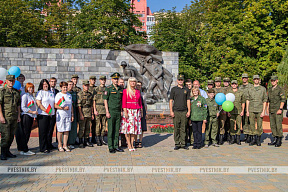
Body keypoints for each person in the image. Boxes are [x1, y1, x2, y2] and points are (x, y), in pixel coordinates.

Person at [0, 75, 21, 160]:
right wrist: (1, 116)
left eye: (12, 81)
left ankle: (7, 151)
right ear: (6, 81)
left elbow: (18, 105)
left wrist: (19, 116)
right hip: (5, 116)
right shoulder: (2, 91)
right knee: (5, 136)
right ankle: (3, 153)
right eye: (9, 81)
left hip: (14, 117)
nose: (11, 82)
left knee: (11, 136)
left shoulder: (16, 92)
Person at [104, 72, 124, 153]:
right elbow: (105, 100)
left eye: (117, 79)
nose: (116, 80)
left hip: (118, 111)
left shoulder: (120, 89)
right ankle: (110, 146)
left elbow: (121, 101)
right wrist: (107, 111)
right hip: (111, 111)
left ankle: (116, 145)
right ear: (112, 80)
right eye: (114, 79)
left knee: (116, 130)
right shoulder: (108, 88)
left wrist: (122, 110)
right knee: (111, 129)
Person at [121, 77, 142, 151]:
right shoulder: (125, 91)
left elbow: (140, 102)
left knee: (134, 129)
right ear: (129, 83)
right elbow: (124, 103)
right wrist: (125, 112)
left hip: (136, 111)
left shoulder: (137, 91)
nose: (133, 83)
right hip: (129, 111)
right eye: (131, 82)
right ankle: (129, 145)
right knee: (128, 129)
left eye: (134, 82)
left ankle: (132, 144)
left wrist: (141, 111)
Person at [169, 74, 190, 150]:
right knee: (176, 128)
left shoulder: (186, 89)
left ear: (183, 80)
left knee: (183, 128)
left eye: (181, 80)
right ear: (177, 80)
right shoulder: (174, 89)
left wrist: (189, 111)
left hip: (184, 111)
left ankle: (183, 143)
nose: (180, 81)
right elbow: (171, 101)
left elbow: (188, 100)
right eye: (179, 80)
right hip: (176, 111)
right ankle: (177, 143)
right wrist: (171, 111)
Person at [246, 75, 267, 146]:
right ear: (253, 80)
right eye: (255, 79)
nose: (256, 80)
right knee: (251, 124)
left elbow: (264, 100)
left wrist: (263, 111)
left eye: (257, 79)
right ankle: (253, 139)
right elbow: (248, 100)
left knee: (259, 125)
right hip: (251, 109)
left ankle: (258, 139)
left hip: (259, 109)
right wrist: (247, 110)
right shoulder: (250, 89)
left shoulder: (263, 89)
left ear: (259, 80)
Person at [17, 83, 37, 155]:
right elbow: (23, 107)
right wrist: (32, 112)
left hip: (31, 116)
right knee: (25, 133)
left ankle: (24, 148)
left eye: (32, 88)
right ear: (26, 88)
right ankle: (24, 149)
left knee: (27, 133)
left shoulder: (31, 96)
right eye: (29, 88)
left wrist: (34, 115)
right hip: (26, 115)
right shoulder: (25, 96)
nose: (31, 89)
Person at [36, 79, 55, 153]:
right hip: (43, 115)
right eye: (44, 84)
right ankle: (43, 147)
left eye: (46, 84)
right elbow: (39, 103)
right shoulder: (40, 92)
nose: (45, 85)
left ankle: (48, 145)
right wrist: (45, 110)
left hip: (51, 115)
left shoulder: (51, 92)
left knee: (49, 131)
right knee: (43, 132)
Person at [267, 75, 286, 147]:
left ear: (277, 81)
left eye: (274, 80)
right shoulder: (270, 89)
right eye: (272, 81)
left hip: (277, 110)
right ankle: (274, 138)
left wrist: (280, 109)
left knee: (278, 125)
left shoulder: (280, 89)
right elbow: (269, 100)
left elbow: (283, 99)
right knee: (272, 125)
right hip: (271, 109)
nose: (273, 82)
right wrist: (267, 108)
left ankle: (279, 139)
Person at [54, 82, 73, 152]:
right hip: (61, 114)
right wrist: (63, 108)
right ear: (61, 88)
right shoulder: (58, 95)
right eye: (64, 87)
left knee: (67, 130)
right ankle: (59, 145)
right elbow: (55, 105)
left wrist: (72, 114)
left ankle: (65, 145)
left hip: (68, 115)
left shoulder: (69, 95)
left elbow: (71, 106)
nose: (65, 88)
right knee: (60, 130)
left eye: (66, 87)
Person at [227, 80, 245, 145]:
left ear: (237, 85)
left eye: (235, 84)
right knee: (231, 125)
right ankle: (232, 138)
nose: (234, 85)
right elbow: (227, 103)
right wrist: (228, 112)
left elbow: (243, 102)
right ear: (231, 85)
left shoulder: (241, 92)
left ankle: (238, 139)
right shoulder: (229, 93)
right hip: (231, 111)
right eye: (233, 84)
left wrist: (242, 111)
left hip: (238, 111)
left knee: (238, 124)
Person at [77, 80, 94, 148]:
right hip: (83, 111)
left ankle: (86, 140)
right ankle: (81, 141)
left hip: (89, 112)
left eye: (88, 85)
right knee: (82, 128)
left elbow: (91, 104)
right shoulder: (80, 94)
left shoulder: (90, 94)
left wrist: (92, 114)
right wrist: (81, 114)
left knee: (88, 127)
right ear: (83, 86)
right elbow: (79, 105)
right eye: (85, 85)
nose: (87, 87)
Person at [93, 75, 108, 146]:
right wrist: (94, 110)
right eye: (102, 80)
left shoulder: (107, 89)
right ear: (100, 81)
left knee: (104, 125)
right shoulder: (96, 89)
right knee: (98, 125)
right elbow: (94, 101)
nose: (103, 81)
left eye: (104, 80)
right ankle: (98, 139)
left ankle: (102, 138)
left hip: (104, 108)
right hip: (98, 107)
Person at [239, 73, 253, 143]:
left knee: (249, 121)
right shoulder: (240, 87)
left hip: (249, 106)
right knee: (243, 121)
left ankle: (249, 135)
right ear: (242, 79)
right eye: (243, 78)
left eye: (246, 78)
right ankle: (245, 135)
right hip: (242, 106)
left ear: (248, 78)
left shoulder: (251, 86)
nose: (244, 79)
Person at [135, 81, 147, 148]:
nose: (138, 86)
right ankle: (136, 141)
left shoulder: (143, 94)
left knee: (142, 127)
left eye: (139, 85)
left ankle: (140, 141)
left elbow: (145, 104)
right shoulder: (134, 93)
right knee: (136, 126)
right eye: (137, 85)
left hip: (142, 110)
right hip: (136, 110)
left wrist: (146, 113)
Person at [49, 77, 59, 149]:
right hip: (48, 112)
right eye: (52, 81)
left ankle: (57, 142)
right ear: (49, 82)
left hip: (56, 112)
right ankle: (48, 143)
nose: (53, 83)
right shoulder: (47, 91)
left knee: (56, 128)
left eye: (54, 82)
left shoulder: (57, 91)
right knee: (49, 129)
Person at [67, 81, 78, 149]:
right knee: (67, 127)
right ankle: (66, 142)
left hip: (74, 111)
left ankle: (72, 141)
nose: (71, 86)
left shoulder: (74, 93)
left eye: (72, 84)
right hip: (67, 111)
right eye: (69, 84)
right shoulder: (65, 93)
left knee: (74, 127)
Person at [118, 78, 127, 147]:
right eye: (120, 82)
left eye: (123, 82)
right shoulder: (117, 90)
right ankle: (116, 143)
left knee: (124, 126)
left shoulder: (125, 91)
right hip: (117, 110)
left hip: (124, 111)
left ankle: (124, 142)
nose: (122, 84)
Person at [89, 76, 97, 144]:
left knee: (94, 124)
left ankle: (93, 138)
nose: (93, 81)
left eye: (94, 80)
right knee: (87, 124)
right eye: (92, 80)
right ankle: (87, 138)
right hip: (88, 107)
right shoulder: (87, 88)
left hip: (94, 107)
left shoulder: (96, 88)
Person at [185, 79, 193, 146]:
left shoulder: (194, 92)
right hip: (185, 111)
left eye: (189, 84)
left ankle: (191, 140)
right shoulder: (184, 91)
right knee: (185, 126)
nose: (188, 86)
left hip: (193, 112)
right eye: (187, 85)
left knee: (192, 127)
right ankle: (185, 140)